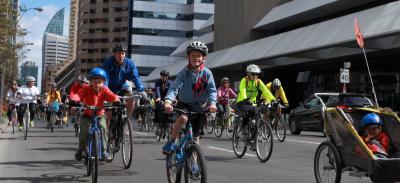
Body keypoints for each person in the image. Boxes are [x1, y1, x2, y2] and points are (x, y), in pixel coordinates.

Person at [163, 41, 217, 155]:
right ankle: (171, 141)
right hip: (185, 104)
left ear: (203, 58)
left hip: (200, 106)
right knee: (183, 118)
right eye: (193, 55)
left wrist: (212, 103)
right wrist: (168, 101)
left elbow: (212, 90)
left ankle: (194, 165)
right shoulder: (184, 73)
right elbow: (174, 88)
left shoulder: (207, 74)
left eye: (199, 56)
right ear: (188, 57)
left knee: (196, 139)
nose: (196, 58)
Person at [70, 67, 120, 161]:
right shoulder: (86, 88)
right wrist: (74, 100)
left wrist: (116, 100)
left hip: (99, 115)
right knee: (84, 131)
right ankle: (81, 150)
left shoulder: (105, 89)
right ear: (90, 81)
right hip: (87, 115)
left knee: (103, 127)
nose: (97, 84)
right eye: (95, 82)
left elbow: (112, 95)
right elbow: (78, 95)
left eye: (100, 82)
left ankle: (104, 150)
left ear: (103, 82)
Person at [101, 44, 147, 121]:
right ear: (114, 54)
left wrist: (141, 89)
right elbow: (105, 77)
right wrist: (105, 91)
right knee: (108, 116)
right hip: (110, 89)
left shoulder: (129, 63)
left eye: (123, 53)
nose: (121, 55)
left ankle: (126, 119)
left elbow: (135, 77)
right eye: (119, 53)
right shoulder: (108, 62)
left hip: (122, 88)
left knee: (132, 98)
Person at [236, 64, 275, 130]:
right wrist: (245, 99)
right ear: (248, 73)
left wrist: (273, 99)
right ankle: (243, 128)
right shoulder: (244, 80)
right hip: (242, 101)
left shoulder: (258, 82)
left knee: (256, 113)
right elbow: (243, 90)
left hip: (252, 102)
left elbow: (265, 90)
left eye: (257, 74)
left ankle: (253, 134)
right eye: (253, 74)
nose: (255, 76)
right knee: (247, 113)